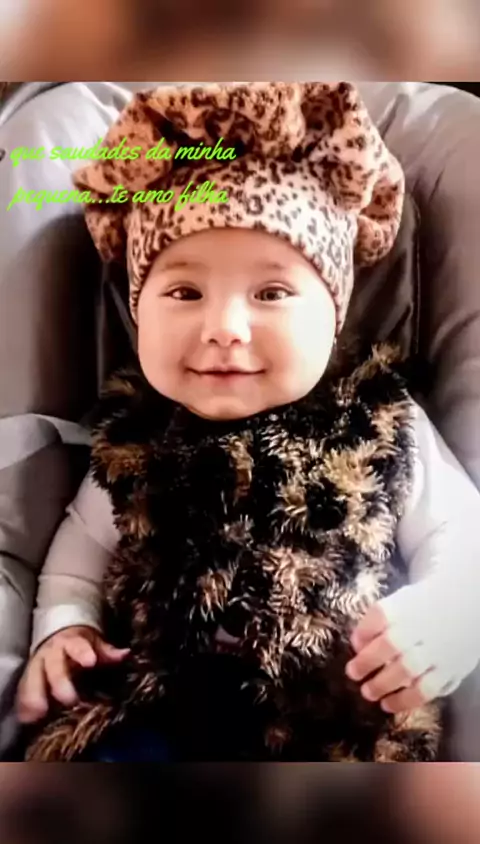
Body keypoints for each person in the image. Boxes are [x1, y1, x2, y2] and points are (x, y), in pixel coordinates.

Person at [16, 81, 480, 761]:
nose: (225, 327)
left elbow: (463, 537)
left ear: (334, 317)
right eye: (184, 291)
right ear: (138, 314)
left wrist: (446, 618)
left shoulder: (380, 416)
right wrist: (63, 627)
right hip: (165, 709)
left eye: (271, 292)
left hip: (339, 714)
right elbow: (77, 555)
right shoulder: (135, 435)